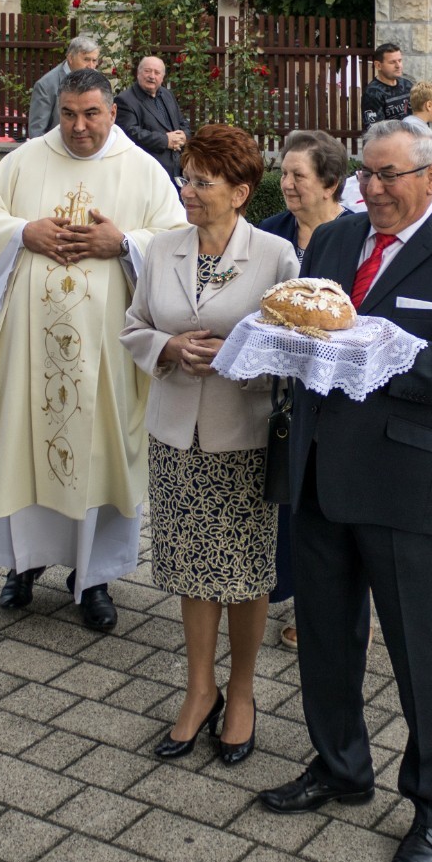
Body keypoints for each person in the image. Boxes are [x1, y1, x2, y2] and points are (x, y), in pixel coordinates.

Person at [257, 120, 432, 862]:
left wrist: (399, 359)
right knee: (326, 637)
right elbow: (311, 332)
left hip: (405, 485)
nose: (371, 189)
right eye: (365, 175)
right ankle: (340, 764)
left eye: (388, 175)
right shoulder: (336, 240)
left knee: (421, 654)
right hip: (320, 474)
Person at [0, 68, 187, 630]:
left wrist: (123, 242)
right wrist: (22, 233)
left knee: (99, 455)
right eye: (69, 114)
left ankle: (92, 578)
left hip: (107, 354)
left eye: (91, 114)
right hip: (26, 348)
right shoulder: (26, 159)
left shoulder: (143, 170)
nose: (78, 127)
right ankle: (21, 564)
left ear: (112, 113)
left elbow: (175, 240)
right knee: (21, 444)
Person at [121, 124, 300, 766]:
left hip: (243, 436)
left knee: (246, 572)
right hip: (174, 433)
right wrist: (168, 347)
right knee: (191, 568)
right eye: (186, 178)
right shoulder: (163, 248)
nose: (187, 191)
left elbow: (295, 348)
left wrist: (238, 360)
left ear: (240, 192)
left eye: (202, 181)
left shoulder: (276, 256)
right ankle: (200, 690)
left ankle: (242, 692)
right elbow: (133, 326)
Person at [255, 129, 353, 649]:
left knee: (332, 501)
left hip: (337, 392)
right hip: (280, 391)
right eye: (284, 173)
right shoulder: (270, 234)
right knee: (286, 498)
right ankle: (291, 593)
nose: (287, 184)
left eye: (299, 175)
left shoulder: (357, 236)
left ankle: (343, 610)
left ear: (331, 182)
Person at [114, 55, 190, 182]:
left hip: (178, 169)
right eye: (147, 71)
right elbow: (129, 133)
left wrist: (183, 136)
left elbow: (182, 122)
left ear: (162, 77)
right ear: (138, 73)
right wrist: (165, 140)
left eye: (157, 72)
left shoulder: (167, 94)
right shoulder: (125, 100)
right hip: (147, 172)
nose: (152, 76)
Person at [27, 36, 101, 138]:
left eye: (94, 60)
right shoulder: (46, 85)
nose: (91, 66)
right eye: (86, 59)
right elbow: (37, 132)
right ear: (70, 58)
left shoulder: (99, 81)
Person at [360, 42, 413, 128]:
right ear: (378, 65)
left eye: (400, 61)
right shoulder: (373, 93)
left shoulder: (408, 85)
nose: (398, 66)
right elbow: (375, 130)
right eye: (392, 62)